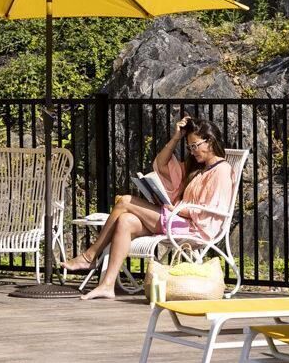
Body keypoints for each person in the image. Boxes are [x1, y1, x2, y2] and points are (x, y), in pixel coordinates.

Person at [67, 116, 234, 300]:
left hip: (194, 227)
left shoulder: (222, 170)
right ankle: (107, 285)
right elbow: (161, 164)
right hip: (178, 219)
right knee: (126, 220)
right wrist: (176, 138)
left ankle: (90, 256)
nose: (192, 151)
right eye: (189, 147)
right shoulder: (197, 168)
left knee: (125, 201)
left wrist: (174, 208)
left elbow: (209, 210)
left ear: (209, 141)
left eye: (195, 146)